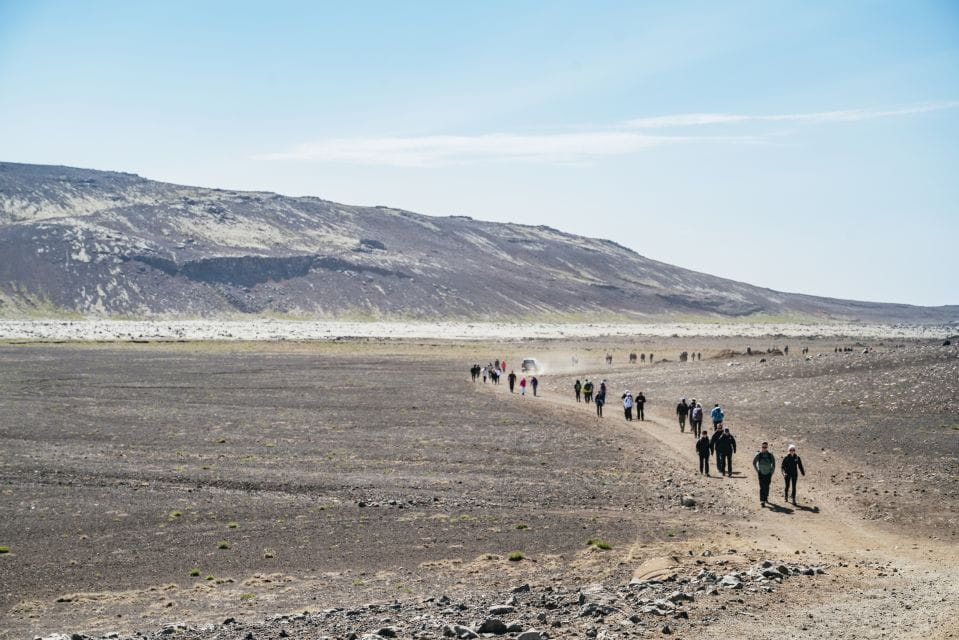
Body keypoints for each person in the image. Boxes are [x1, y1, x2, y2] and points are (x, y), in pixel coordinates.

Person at [753, 442, 776, 506]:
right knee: (762, 487)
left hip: (768, 473)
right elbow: (754, 462)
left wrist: (772, 471)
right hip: (761, 473)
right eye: (763, 447)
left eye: (765, 447)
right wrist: (757, 470)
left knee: (767, 486)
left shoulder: (770, 455)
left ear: (767, 447)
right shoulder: (759, 455)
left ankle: (766, 497)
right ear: (761, 447)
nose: (764, 448)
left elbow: (774, 463)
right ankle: (762, 500)